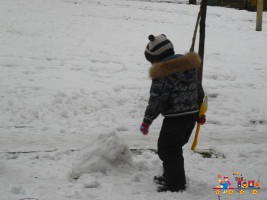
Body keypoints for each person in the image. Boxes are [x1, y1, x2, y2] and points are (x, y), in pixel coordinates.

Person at [140, 34, 205, 192]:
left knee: (168, 149)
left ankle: (175, 183)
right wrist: (199, 112)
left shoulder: (162, 73)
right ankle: (171, 175)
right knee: (173, 148)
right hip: (189, 117)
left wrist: (147, 121)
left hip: (175, 120)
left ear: (156, 58)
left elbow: (156, 100)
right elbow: (198, 90)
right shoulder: (188, 67)